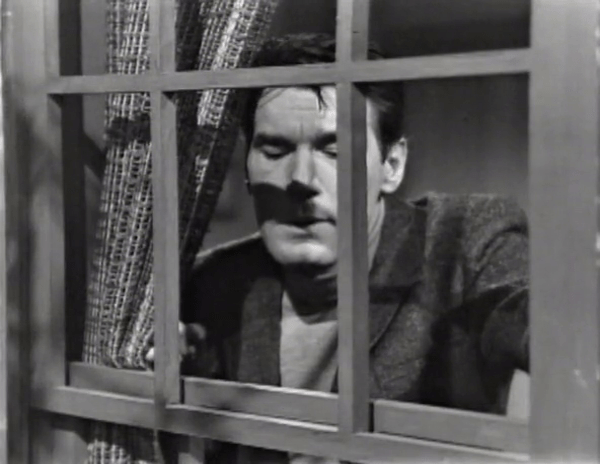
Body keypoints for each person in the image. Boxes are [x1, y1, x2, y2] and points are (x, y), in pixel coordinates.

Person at [149, 33, 529, 463]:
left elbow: (555, 339)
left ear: (392, 165)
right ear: (248, 170)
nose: (301, 179)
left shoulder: (466, 244)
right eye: (274, 150)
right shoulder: (210, 283)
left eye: (334, 150)